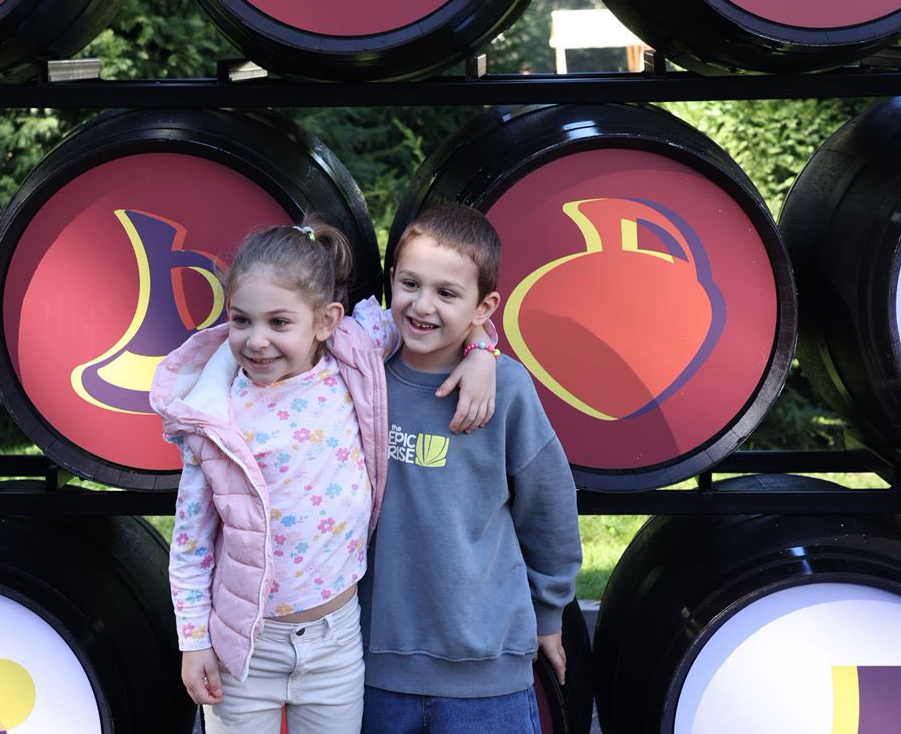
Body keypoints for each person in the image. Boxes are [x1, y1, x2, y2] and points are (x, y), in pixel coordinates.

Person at [150, 218, 497, 733]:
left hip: (336, 643)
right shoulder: (214, 418)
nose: (257, 340)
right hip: (245, 649)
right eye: (241, 320)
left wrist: (482, 349)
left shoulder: (355, 354)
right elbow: (191, 544)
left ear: (326, 320)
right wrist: (194, 641)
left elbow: (429, 318)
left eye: (279, 322)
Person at [360, 203, 583, 734]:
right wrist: (482, 345)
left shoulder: (506, 389)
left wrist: (548, 613)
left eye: (446, 293)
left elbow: (549, 508)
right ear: (392, 281)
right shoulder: (359, 375)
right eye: (410, 284)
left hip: (485, 667)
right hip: (372, 664)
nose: (423, 305)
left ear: (484, 306)